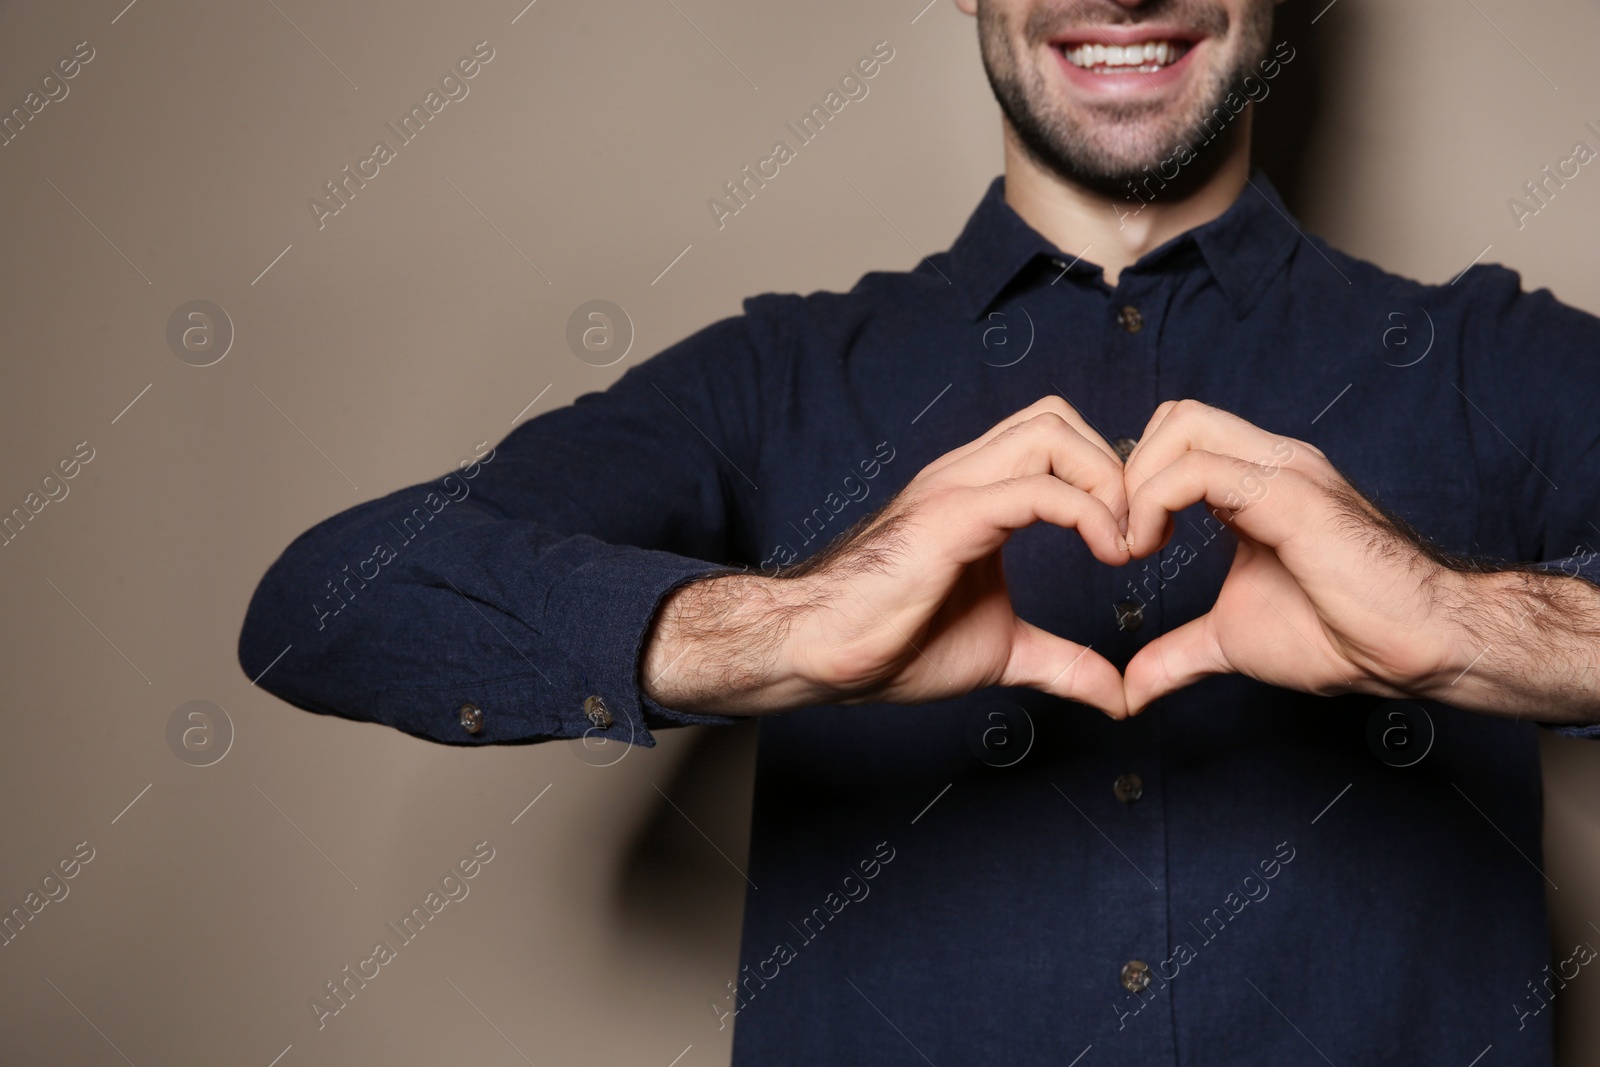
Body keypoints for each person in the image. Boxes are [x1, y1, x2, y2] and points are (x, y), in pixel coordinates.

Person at [239, 0, 1600, 1062]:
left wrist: (1480, 629)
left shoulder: (1487, 352)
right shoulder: (778, 376)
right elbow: (321, 606)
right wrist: (775, 630)